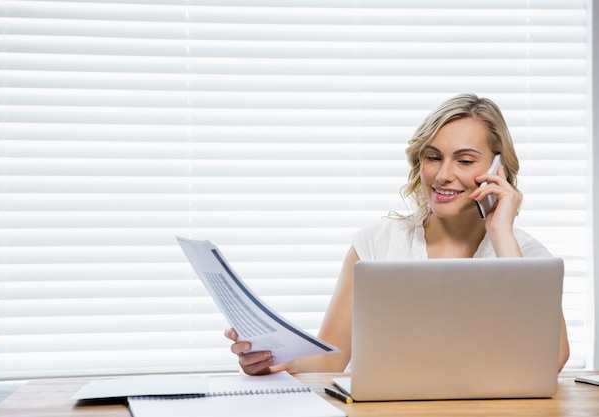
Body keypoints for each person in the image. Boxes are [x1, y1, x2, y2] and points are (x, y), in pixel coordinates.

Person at [225, 93, 570, 375]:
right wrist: (275, 361)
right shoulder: (377, 242)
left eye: (464, 161)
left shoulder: (523, 253)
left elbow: (551, 359)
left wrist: (499, 232)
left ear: (499, 170)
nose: (443, 175)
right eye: (433, 157)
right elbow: (331, 360)